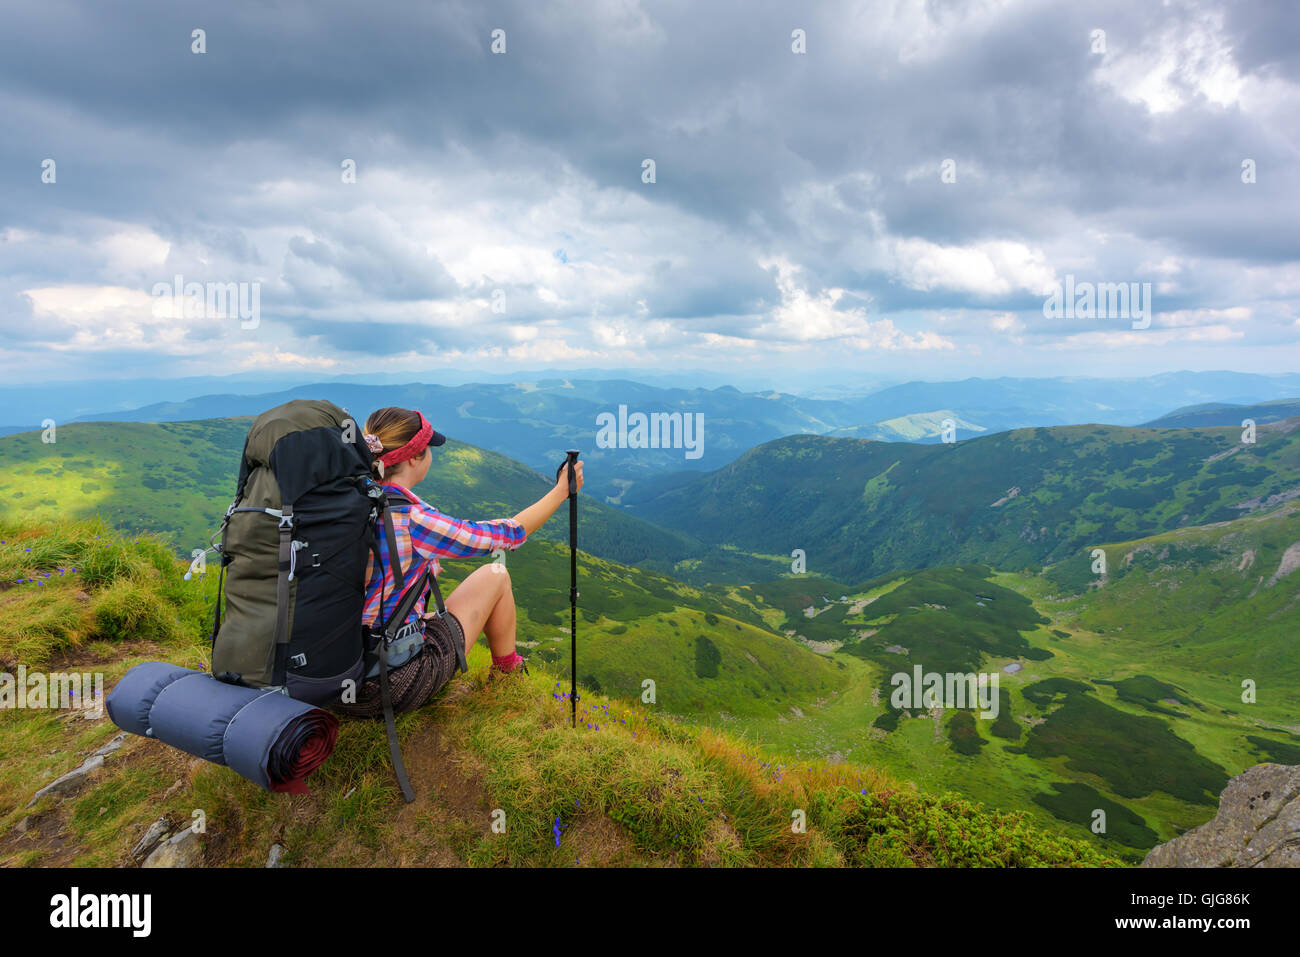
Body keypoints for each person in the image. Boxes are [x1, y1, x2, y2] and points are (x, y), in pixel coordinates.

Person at [334, 406, 583, 718]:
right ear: (414, 457)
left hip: (335, 676)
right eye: (429, 449)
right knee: (496, 574)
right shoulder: (411, 518)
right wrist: (561, 492)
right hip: (391, 684)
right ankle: (507, 678)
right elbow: (508, 534)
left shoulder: (346, 501)